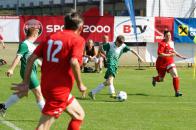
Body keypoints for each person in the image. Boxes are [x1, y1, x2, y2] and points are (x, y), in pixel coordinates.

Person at [12, 11, 87, 130]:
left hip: (47, 86)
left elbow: (31, 59)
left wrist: (26, 82)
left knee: (78, 115)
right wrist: (80, 84)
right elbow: (74, 62)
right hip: (59, 90)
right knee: (42, 127)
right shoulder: (78, 40)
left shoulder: (51, 37)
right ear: (81, 27)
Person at [0, 27, 45, 117]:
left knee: (22, 92)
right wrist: (11, 69)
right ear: (35, 35)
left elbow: (35, 60)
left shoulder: (32, 45)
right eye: (37, 34)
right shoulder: (24, 44)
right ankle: (47, 116)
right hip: (28, 73)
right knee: (38, 93)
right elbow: (18, 57)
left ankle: (3, 107)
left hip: (32, 72)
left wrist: (44, 68)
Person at [89, 35, 144, 100]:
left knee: (107, 82)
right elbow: (101, 47)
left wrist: (140, 57)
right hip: (110, 63)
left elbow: (132, 50)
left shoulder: (123, 46)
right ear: (116, 41)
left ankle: (92, 92)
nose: (120, 45)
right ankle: (113, 94)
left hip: (115, 64)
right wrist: (99, 55)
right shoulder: (110, 44)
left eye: (121, 44)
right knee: (110, 79)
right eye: (119, 43)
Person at [152, 30, 187, 97]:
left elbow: (172, 50)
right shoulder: (162, 43)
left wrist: (181, 56)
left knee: (175, 74)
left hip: (170, 61)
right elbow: (159, 54)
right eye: (167, 36)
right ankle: (154, 79)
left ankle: (177, 92)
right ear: (164, 36)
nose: (169, 37)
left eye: (170, 35)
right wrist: (169, 55)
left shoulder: (171, 42)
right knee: (161, 79)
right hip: (161, 63)